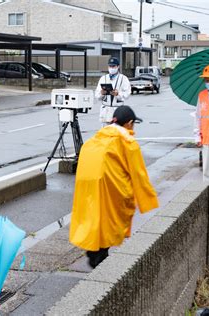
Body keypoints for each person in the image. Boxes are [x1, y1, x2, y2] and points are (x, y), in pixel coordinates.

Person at [69, 105, 159, 268]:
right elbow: (138, 173)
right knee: (110, 222)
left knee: (93, 219)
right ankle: (100, 257)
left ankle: (94, 251)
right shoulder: (127, 142)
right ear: (129, 123)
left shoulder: (96, 138)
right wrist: (148, 199)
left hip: (88, 187)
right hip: (111, 188)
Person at [95, 57, 131, 125]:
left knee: (117, 133)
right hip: (106, 110)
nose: (111, 68)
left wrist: (118, 94)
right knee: (106, 133)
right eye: (110, 66)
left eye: (113, 66)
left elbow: (127, 94)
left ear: (118, 66)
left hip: (117, 110)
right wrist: (101, 93)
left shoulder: (123, 79)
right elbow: (97, 95)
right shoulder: (103, 78)